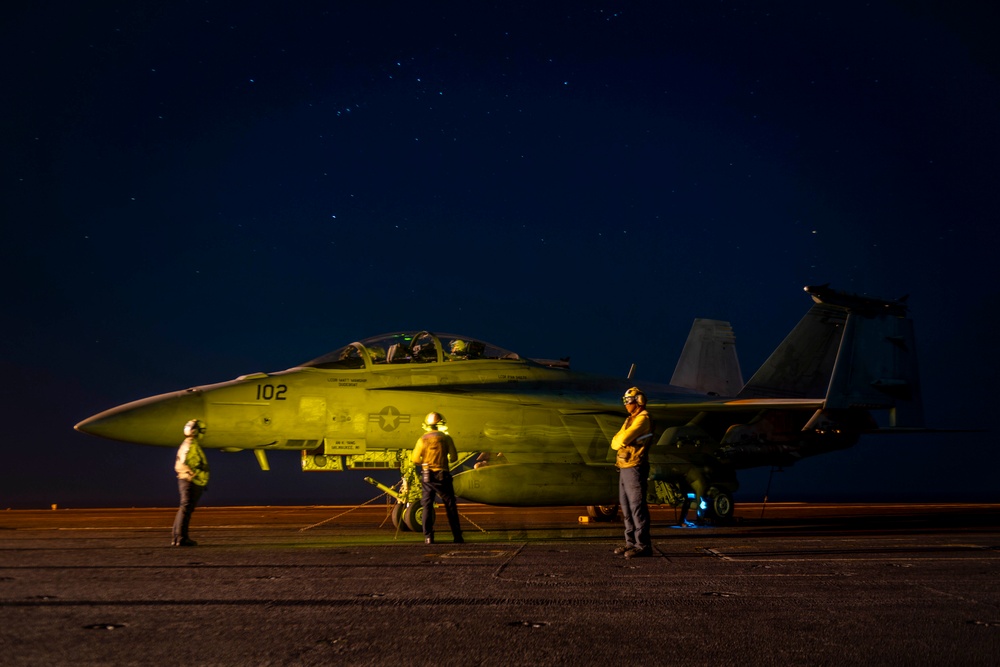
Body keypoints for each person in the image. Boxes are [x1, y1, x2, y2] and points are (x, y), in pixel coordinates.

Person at [610, 387, 655, 558]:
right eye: (625, 401)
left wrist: (621, 441)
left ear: (639, 401)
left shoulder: (643, 419)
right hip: (624, 466)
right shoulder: (630, 420)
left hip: (635, 466)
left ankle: (643, 545)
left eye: (628, 401)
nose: (626, 404)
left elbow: (622, 439)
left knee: (637, 507)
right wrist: (620, 441)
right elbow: (615, 442)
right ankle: (630, 543)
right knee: (626, 507)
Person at [411, 412, 464, 544]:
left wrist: (425, 463)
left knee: (427, 506)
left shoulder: (422, 440)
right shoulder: (446, 438)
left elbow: (415, 459)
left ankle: (428, 537)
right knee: (450, 506)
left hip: (428, 477)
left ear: (427, 425)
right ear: (440, 424)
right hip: (443, 475)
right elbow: (454, 457)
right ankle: (457, 536)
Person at [172, 418, 210, 547]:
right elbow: (186, 463)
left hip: (187, 480)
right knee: (186, 509)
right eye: (202, 430)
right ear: (195, 431)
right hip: (190, 481)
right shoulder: (191, 444)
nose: (203, 433)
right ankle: (182, 538)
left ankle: (177, 537)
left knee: (184, 508)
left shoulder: (187, 443)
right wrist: (198, 476)